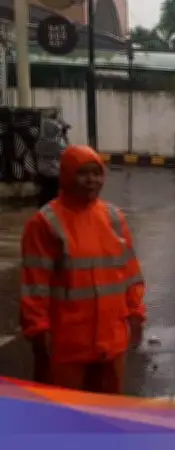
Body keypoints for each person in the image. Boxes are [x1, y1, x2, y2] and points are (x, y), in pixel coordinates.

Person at [20, 144, 146, 393]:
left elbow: (130, 274)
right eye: (82, 173)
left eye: (96, 173)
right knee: (63, 412)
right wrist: (38, 331)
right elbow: (35, 285)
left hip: (111, 343)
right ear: (67, 175)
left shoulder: (113, 218)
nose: (91, 180)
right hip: (67, 348)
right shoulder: (45, 223)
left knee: (106, 411)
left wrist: (136, 313)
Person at [34, 114, 70, 207]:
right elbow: (68, 152)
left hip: (42, 171)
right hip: (54, 172)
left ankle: (42, 208)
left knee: (44, 191)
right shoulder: (56, 144)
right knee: (53, 194)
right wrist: (64, 135)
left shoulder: (40, 142)